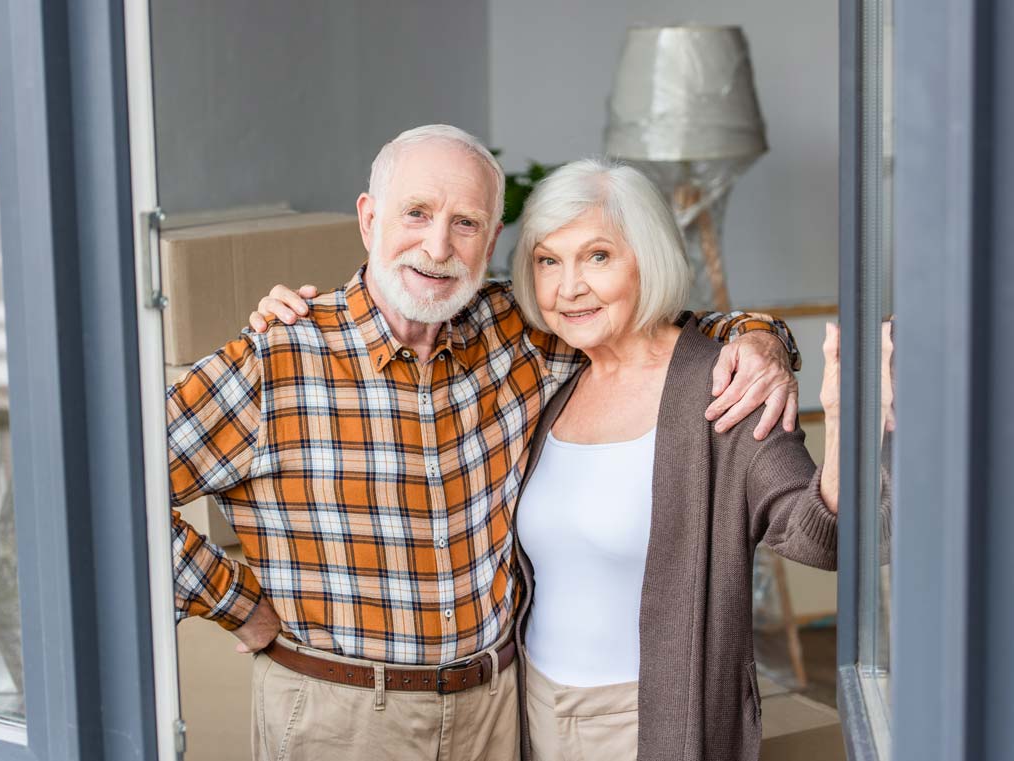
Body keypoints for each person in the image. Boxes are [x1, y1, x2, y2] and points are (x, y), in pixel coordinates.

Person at [169, 126, 801, 761]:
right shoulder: (278, 356)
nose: (437, 245)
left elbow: (645, 328)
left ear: (491, 240)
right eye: (416, 213)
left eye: (465, 223)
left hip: (498, 710)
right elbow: (104, 490)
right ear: (369, 219)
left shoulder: (516, 330)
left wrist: (760, 338)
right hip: (344, 715)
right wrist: (237, 604)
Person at [504, 158, 854, 761]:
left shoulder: (722, 384)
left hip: (654, 719)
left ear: (651, 257)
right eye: (547, 261)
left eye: (597, 257)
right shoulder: (554, 380)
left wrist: (846, 422)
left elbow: (817, 537)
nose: (568, 287)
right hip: (535, 712)